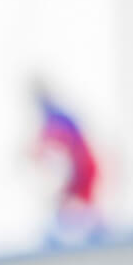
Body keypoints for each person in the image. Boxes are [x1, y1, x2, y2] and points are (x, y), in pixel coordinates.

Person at [31, 83, 103, 244]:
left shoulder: (59, 119)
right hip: (77, 174)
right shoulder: (52, 121)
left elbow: (66, 147)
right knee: (69, 213)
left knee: (82, 212)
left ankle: (98, 235)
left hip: (83, 171)